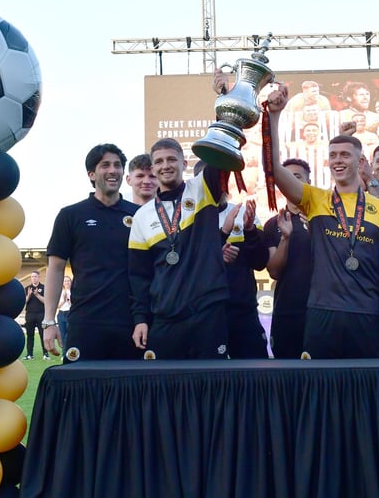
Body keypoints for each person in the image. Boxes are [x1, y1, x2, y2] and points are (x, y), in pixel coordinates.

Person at [264, 84, 379, 358]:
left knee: (365, 392)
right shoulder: (314, 200)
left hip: (366, 312)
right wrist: (274, 115)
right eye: (332, 156)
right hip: (322, 313)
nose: (337, 161)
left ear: (360, 161)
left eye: (345, 155)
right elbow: (273, 169)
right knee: (320, 392)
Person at [129, 138, 230, 359]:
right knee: (166, 389)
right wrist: (140, 319)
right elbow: (139, 276)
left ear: (184, 164)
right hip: (166, 316)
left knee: (211, 387)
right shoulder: (142, 216)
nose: (166, 165)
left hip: (207, 313)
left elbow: (223, 150)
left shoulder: (203, 189)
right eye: (159, 161)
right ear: (153, 168)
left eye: (172, 159)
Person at [43, 143, 143, 361]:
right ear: (91, 173)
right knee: (83, 391)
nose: (113, 170)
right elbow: (56, 269)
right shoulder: (71, 215)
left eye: (117, 165)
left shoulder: (139, 215)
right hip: (86, 322)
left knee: (130, 392)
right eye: (105, 165)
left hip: (130, 322)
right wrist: (49, 321)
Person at [263, 158, 313, 358]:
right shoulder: (272, 224)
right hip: (287, 310)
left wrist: (316, 233)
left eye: (298, 177)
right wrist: (285, 237)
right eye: (287, 177)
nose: (291, 181)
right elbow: (274, 271)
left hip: (321, 310)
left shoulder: (325, 218)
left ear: (308, 182)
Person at [218, 196, 270, 358]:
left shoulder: (243, 214)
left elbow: (260, 262)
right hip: (206, 314)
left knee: (255, 377)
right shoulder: (187, 217)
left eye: (220, 181)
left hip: (243, 312)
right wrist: (217, 255)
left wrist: (250, 231)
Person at [23, 271, 48, 361]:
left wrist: (37, 295)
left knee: (43, 334)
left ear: (39, 277)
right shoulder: (27, 288)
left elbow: (46, 301)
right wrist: (29, 295)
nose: (34, 278)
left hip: (41, 314)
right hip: (30, 314)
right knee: (30, 335)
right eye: (32, 276)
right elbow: (23, 302)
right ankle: (29, 354)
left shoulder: (44, 288)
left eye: (35, 276)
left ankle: (45, 354)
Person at [56, 275, 72, 349]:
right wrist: (63, 299)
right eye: (65, 281)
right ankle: (64, 353)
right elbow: (58, 306)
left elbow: (74, 305)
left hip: (70, 313)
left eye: (68, 281)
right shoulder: (60, 292)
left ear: (70, 282)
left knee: (69, 334)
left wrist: (68, 300)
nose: (66, 282)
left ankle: (69, 350)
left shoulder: (73, 292)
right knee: (62, 334)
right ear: (63, 282)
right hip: (61, 313)